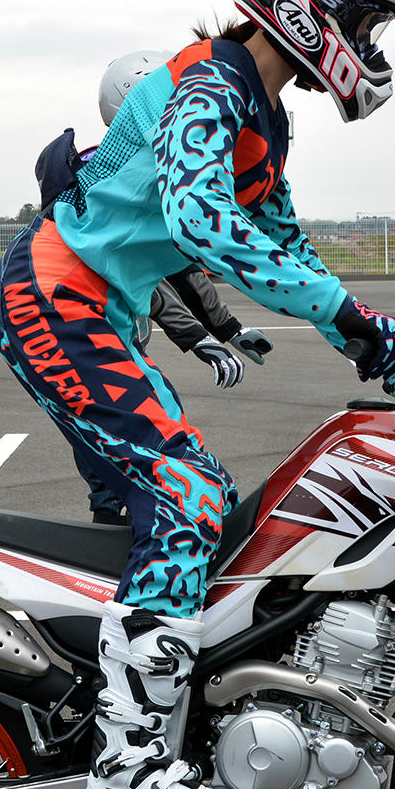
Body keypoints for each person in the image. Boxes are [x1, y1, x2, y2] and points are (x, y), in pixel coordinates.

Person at [0, 0, 395, 789]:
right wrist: (347, 317)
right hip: (55, 296)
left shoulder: (263, 114)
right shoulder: (212, 90)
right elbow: (203, 222)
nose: (372, 44)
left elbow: (286, 245)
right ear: (310, 2)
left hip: (102, 310)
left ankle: (93, 707)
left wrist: (382, 338)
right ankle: (128, 765)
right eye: (367, 18)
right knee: (191, 494)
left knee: (166, 517)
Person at [34, 51, 278, 525]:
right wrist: (198, 336)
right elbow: (130, 269)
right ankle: (114, 565)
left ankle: (136, 539)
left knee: (156, 436)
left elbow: (177, 258)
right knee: (110, 459)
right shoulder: (96, 174)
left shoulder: (159, 165)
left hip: (123, 334)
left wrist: (226, 327)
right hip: (77, 330)